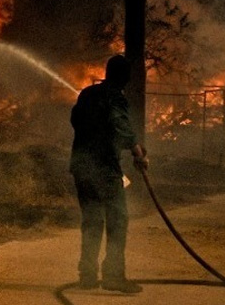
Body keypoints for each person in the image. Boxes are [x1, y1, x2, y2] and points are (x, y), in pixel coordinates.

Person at [69, 54, 149, 293]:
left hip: (81, 167)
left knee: (92, 221)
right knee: (117, 220)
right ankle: (113, 276)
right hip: (104, 169)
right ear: (124, 77)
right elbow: (120, 126)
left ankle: (87, 276)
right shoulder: (116, 97)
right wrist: (137, 152)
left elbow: (75, 120)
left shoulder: (87, 94)